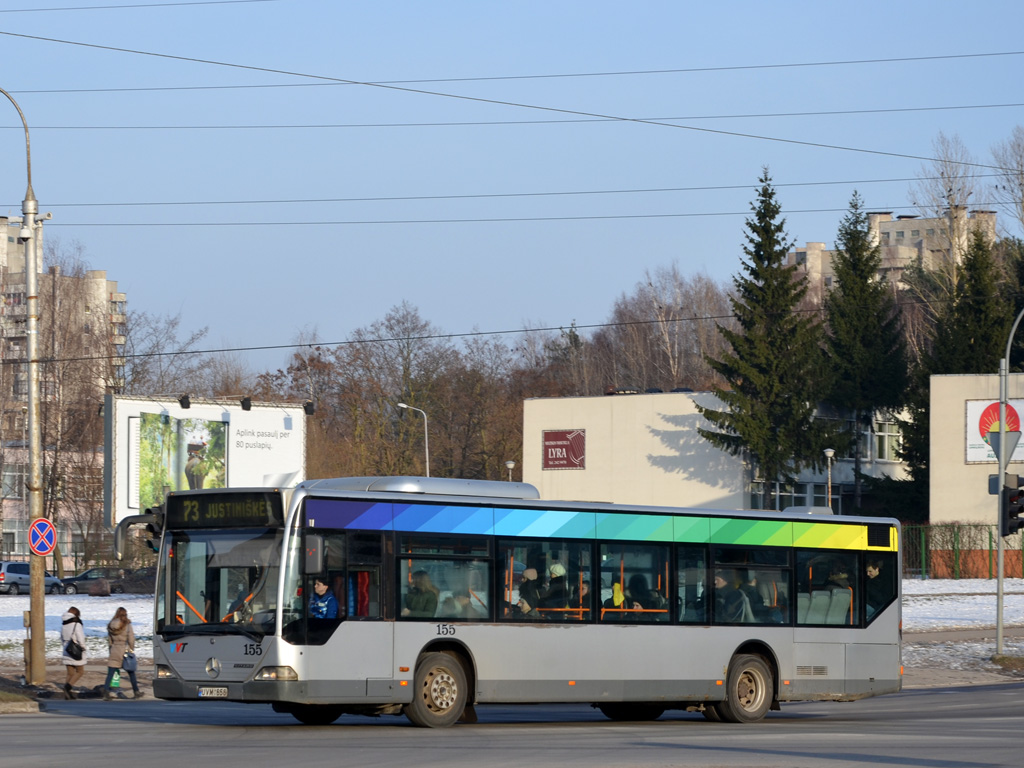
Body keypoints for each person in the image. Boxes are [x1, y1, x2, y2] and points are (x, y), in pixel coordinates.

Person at [103, 606, 142, 700]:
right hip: (124, 649)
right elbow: (131, 639)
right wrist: (131, 649)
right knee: (131, 671)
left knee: (111, 673)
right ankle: (136, 691)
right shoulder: (127, 625)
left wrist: (111, 649)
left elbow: (110, 640)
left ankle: (106, 691)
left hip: (114, 649)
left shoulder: (111, 625)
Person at [61, 606, 86, 699]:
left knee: (70, 673)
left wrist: (65, 646)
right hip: (76, 650)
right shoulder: (76, 624)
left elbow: (62, 637)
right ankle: (68, 687)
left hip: (67, 649)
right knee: (80, 671)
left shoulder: (64, 624)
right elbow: (80, 637)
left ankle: (67, 694)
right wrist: (83, 647)